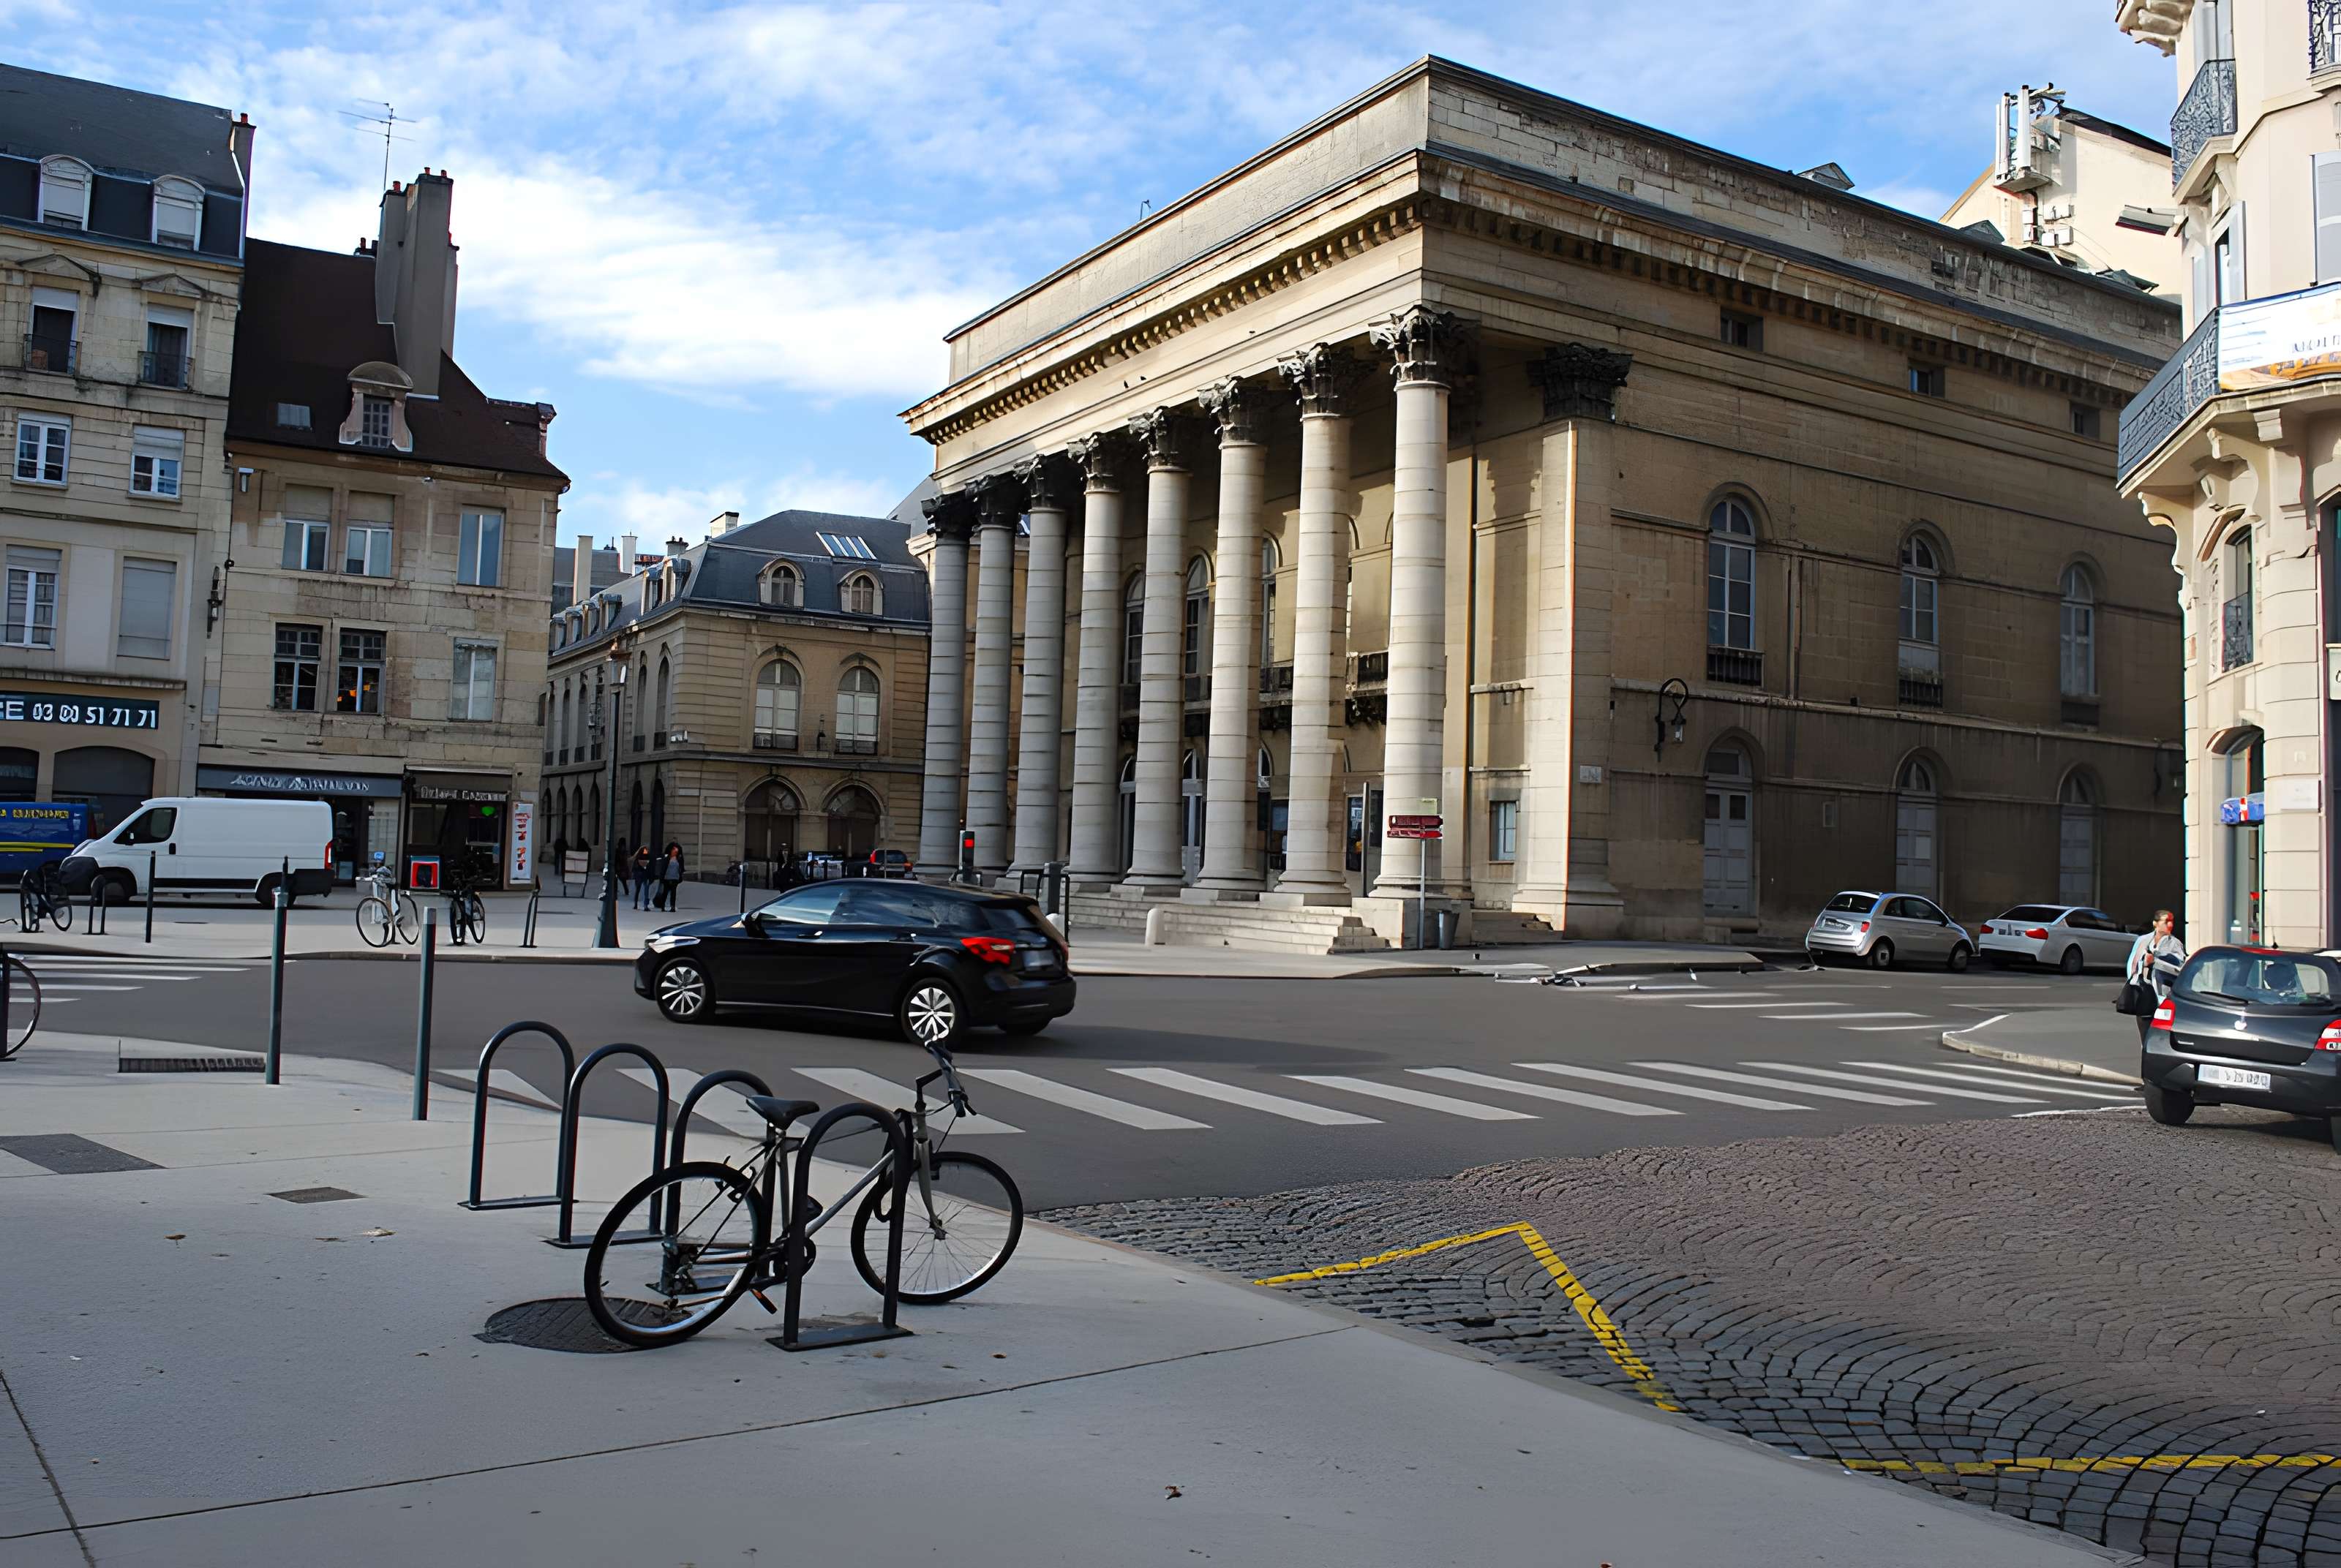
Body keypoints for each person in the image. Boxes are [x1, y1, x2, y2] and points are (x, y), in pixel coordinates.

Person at [2127, 909, 2184, 1044]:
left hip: (2163, 999)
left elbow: (2180, 970)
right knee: (2145, 1039)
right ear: (2155, 923)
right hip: (2143, 995)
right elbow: (2132, 964)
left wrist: (2156, 963)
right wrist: (2135, 983)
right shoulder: (2142, 941)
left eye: (2172, 921)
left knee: (2161, 1039)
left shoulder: (2175, 944)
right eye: (2166, 921)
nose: (2170, 925)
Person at [657, 842, 684, 911]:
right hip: (667, 878)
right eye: (674, 849)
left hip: (675, 878)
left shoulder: (678, 859)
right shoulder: (667, 859)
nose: (675, 851)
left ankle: (673, 907)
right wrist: (662, 878)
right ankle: (663, 906)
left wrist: (680, 876)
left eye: (676, 850)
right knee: (665, 893)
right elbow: (663, 868)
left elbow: (680, 869)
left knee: (673, 893)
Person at [630, 843, 653, 910]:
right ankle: (645, 905)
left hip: (638, 875)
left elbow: (634, 868)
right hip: (644, 874)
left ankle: (636, 904)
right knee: (646, 890)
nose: (647, 851)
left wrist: (634, 874)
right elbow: (649, 867)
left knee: (638, 890)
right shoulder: (647, 857)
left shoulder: (637, 858)